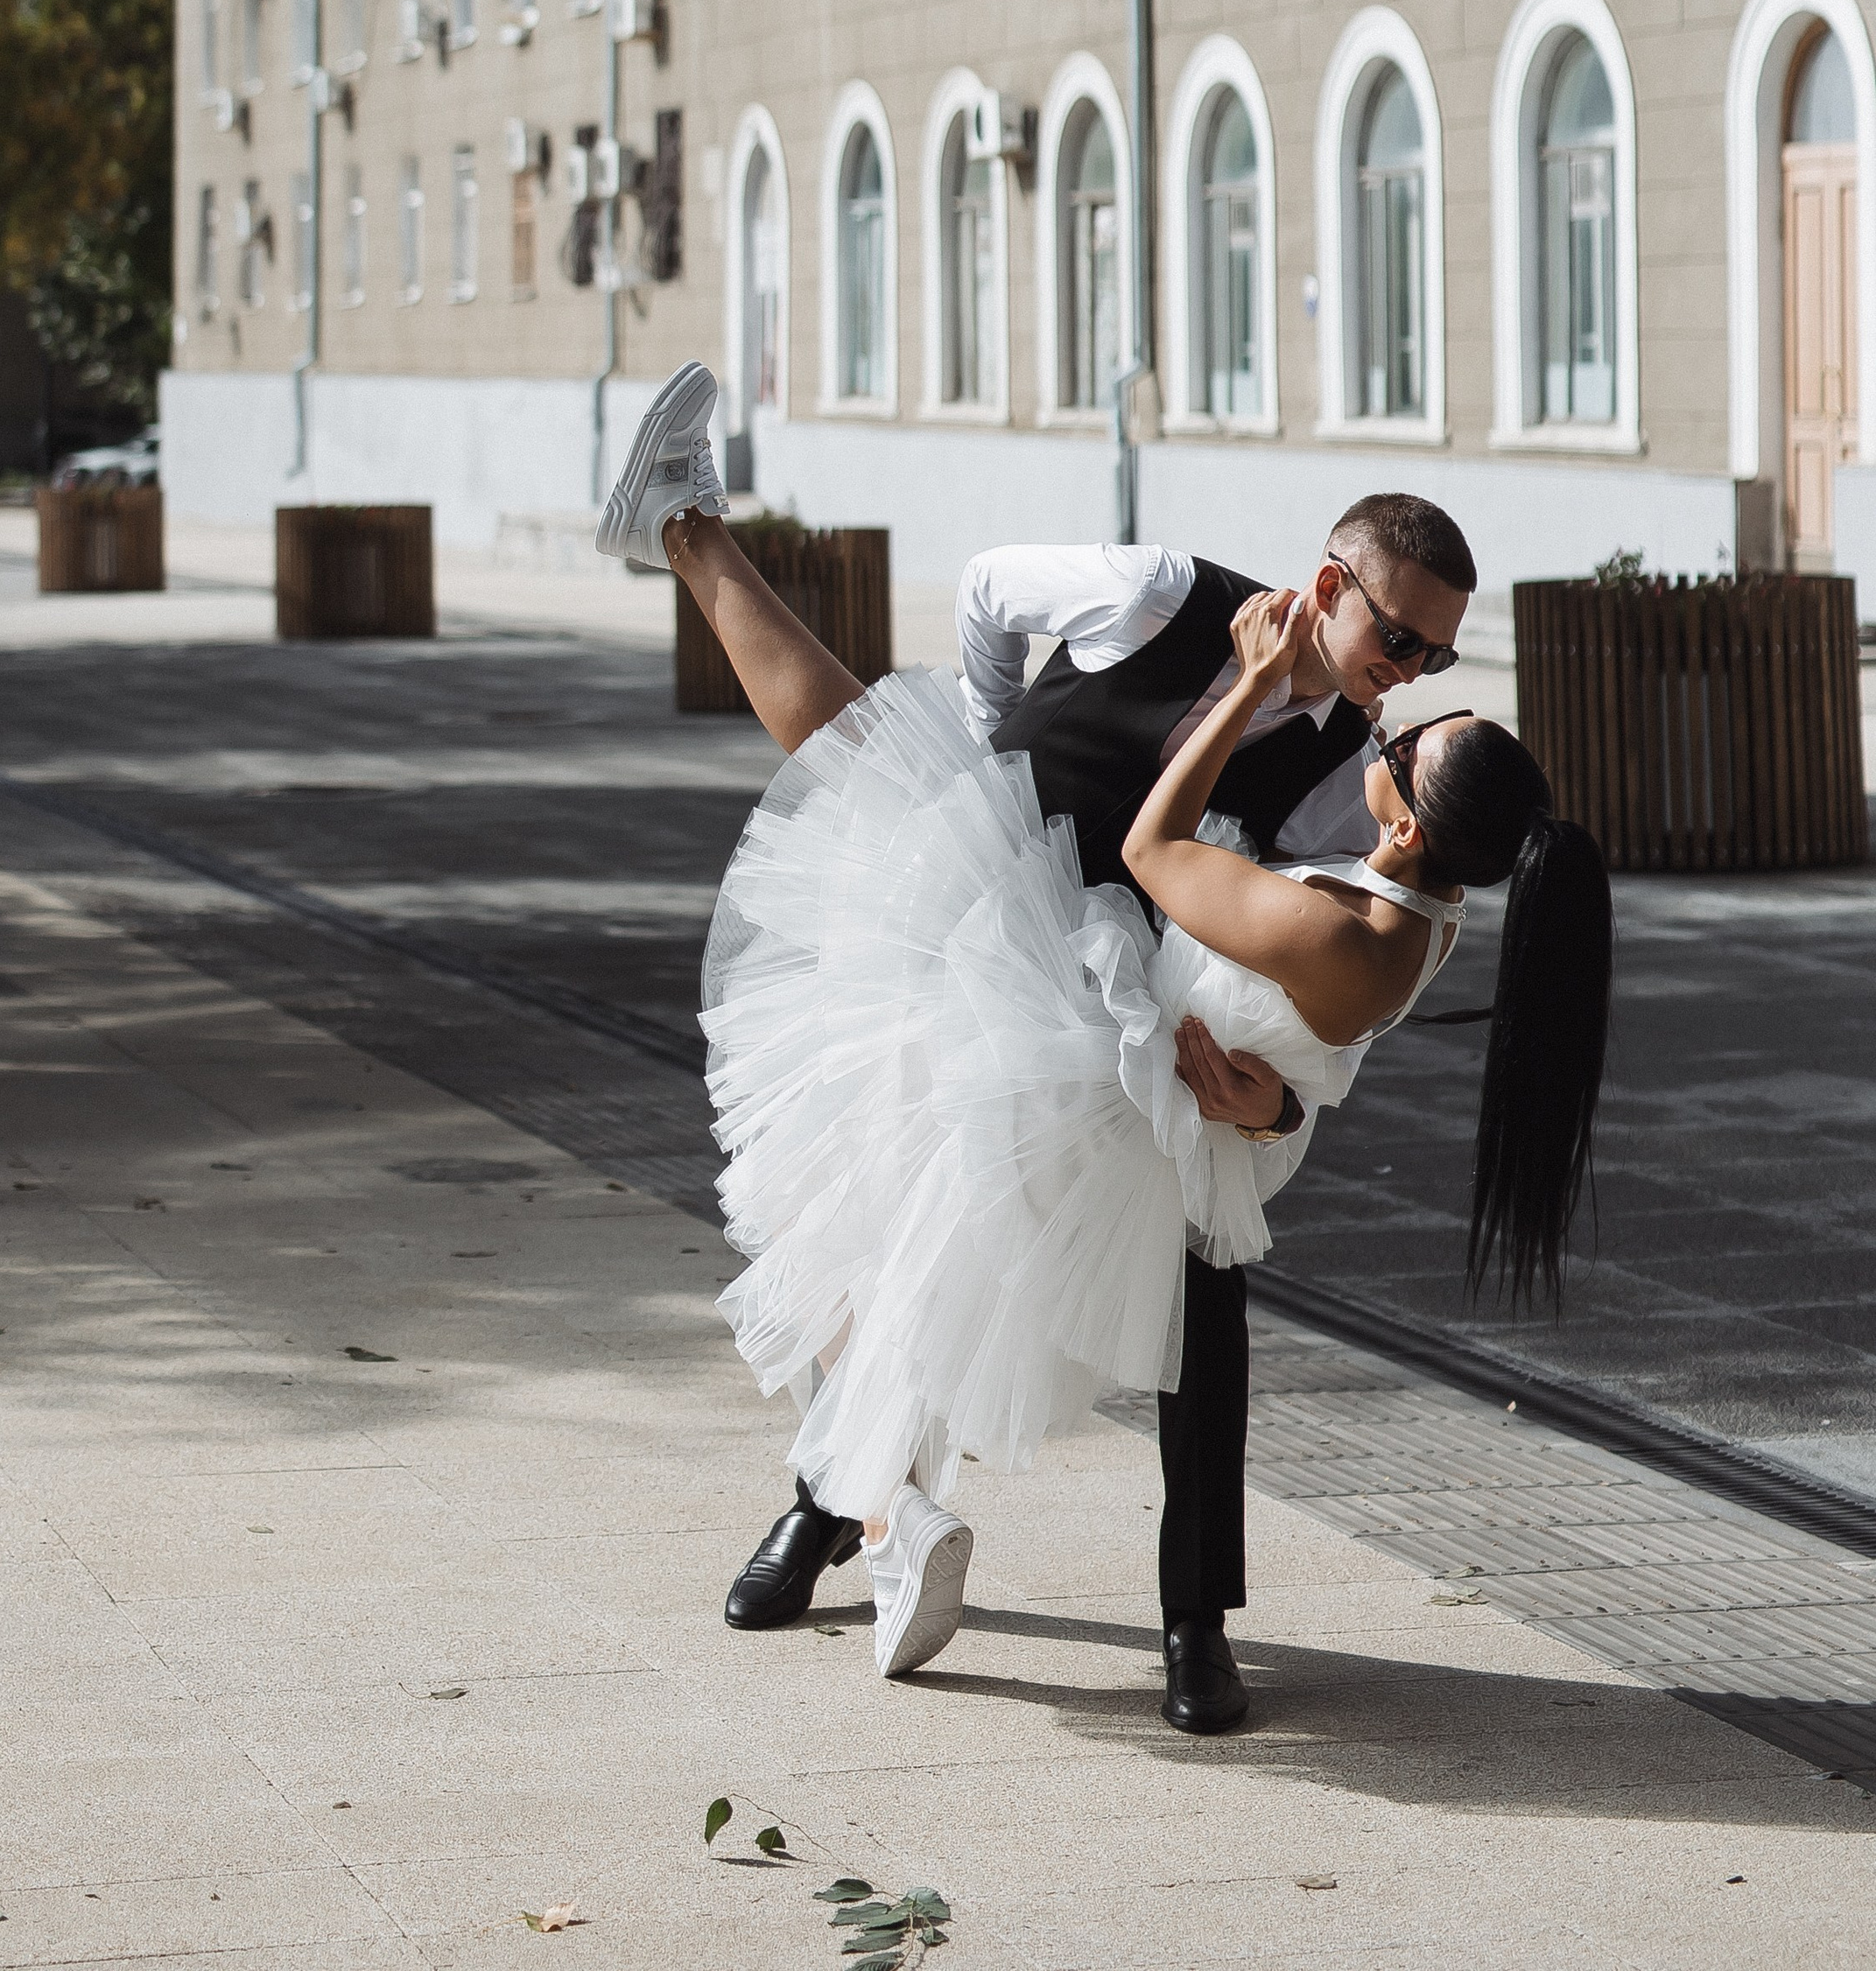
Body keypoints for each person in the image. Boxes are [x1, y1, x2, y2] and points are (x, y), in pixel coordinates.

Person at [597, 361, 1612, 1724]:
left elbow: (1311, 991)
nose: (1410, 672)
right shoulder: (1160, 595)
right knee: (898, 1218)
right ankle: (830, 1510)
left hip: (1126, 1018)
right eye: (1400, 636)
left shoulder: (1347, 781)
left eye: (1435, 656)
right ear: (1330, 585)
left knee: (1207, 1289)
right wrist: (985, 751)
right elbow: (987, 595)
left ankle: (1197, 1624)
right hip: (985, 917)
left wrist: (1275, 1118)